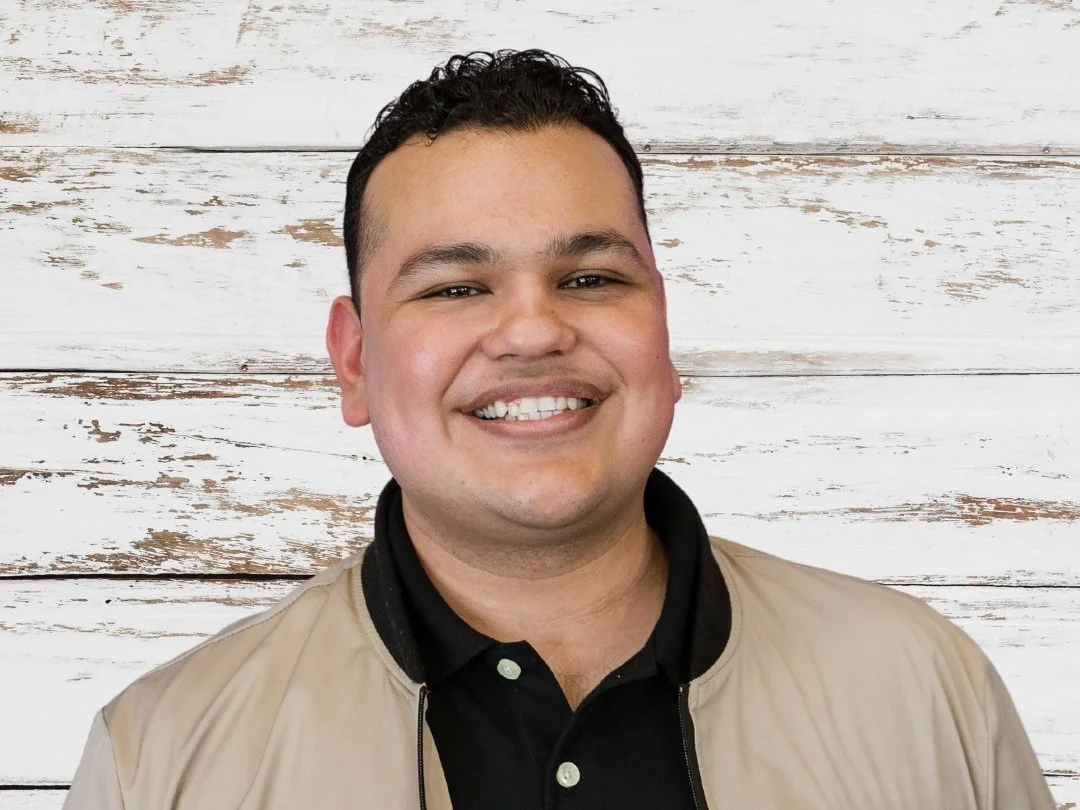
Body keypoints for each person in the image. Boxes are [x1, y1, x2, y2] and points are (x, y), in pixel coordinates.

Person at [65, 49, 1054, 810]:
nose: (535, 329)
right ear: (354, 360)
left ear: (661, 330)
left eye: (591, 278)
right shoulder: (165, 755)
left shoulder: (925, 689)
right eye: (457, 286)